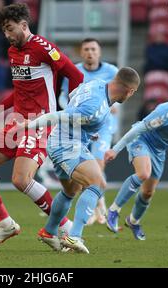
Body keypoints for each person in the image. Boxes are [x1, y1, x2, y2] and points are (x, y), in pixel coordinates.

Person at [0, 3, 83, 249]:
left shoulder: (43, 48)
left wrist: (70, 110)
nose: (7, 35)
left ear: (23, 25)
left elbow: (76, 75)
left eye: (10, 29)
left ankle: (65, 228)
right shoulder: (12, 51)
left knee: (20, 179)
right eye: (3, 30)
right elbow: (21, 89)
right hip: (18, 121)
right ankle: (5, 224)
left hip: (40, 122)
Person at [24, 67, 140, 253]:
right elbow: (58, 116)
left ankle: (49, 231)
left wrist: (84, 130)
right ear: (130, 90)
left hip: (64, 140)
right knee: (97, 183)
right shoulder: (96, 106)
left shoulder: (96, 84)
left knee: (71, 190)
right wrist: (29, 125)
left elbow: (73, 96)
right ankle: (74, 236)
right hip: (67, 144)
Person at [104, 87, 168, 241]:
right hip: (141, 139)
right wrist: (115, 149)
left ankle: (133, 221)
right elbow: (139, 128)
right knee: (143, 173)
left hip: (159, 151)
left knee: (148, 193)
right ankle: (113, 211)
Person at [58, 38, 119, 225]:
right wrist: (70, 112)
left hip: (104, 124)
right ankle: (98, 206)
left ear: (99, 52)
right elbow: (63, 97)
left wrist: (112, 105)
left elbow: (121, 94)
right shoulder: (74, 71)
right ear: (81, 52)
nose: (90, 52)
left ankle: (93, 208)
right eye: (86, 49)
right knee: (84, 167)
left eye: (93, 49)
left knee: (98, 164)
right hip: (80, 126)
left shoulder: (111, 71)